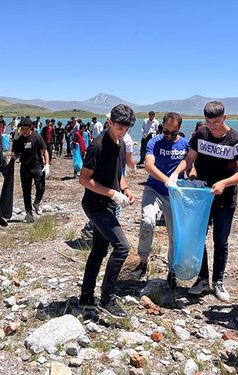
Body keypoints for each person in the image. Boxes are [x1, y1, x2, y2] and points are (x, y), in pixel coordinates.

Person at [168, 101, 238, 301]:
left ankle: (218, 281)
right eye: (208, 122)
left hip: (225, 197)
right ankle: (202, 279)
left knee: (220, 241)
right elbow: (189, 159)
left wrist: (225, 182)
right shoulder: (200, 135)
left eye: (216, 122)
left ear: (225, 118)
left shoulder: (236, 140)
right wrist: (175, 174)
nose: (211, 126)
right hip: (201, 197)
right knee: (198, 237)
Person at [78, 104, 136, 318]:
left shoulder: (120, 144)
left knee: (100, 250)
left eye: (127, 128)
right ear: (110, 122)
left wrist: (125, 189)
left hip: (109, 204)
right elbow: (84, 179)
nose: (123, 132)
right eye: (120, 127)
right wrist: (112, 193)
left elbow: (117, 173)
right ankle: (107, 299)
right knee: (122, 247)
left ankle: (86, 296)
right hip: (95, 204)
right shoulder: (98, 146)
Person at [130, 112, 189, 290]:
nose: (169, 135)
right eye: (166, 131)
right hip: (154, 189)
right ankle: (143, 261)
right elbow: (149, 165)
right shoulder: (154, 142)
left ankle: (171, 271)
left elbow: (189, 162)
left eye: (173, 132)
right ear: (162, 127)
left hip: (174, 195)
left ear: (179, 129)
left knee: (174, 234)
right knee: (147, 221)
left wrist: (182, 177)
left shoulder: (184, 144)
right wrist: (166, 180)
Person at [12, 118, 50, 223]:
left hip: (37, 166)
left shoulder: (36, 137)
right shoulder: (19, 140)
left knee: (41, 187)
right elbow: (16, 154)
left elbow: (44, 151)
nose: (24, 131)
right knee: (26, 191)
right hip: (25, 168)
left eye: (26, 128)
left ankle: (37, 202)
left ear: (31, 128)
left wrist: (47, 164)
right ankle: (29, 213)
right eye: (22, 128)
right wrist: (11, 160)